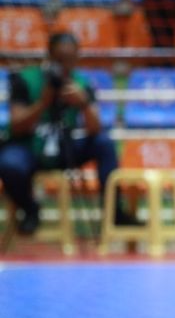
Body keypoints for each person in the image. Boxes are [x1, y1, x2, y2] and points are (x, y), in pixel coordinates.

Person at [1, 32, 140, 235]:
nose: (65, 65)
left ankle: (114, 213)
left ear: (77, 58)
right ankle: (30, 209)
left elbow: (95, 128)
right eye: (59, 59)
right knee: (9, 163)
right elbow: (16, 125)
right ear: (49, 56)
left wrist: (83, 103)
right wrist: (43, 103)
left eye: (70, 59)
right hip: (29, 147)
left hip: (66, 147)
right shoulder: (25, 79)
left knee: (104, 143)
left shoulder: (81, 83)